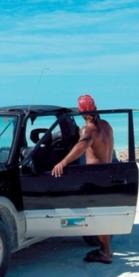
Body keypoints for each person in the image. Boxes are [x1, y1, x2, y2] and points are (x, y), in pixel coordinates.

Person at [51, 94, 116, 264]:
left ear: (81, 112)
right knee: (103, 214)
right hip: (107, 172)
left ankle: (105, 253)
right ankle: (104, 249)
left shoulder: (88, 130)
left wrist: (63, 161)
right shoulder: (106, 126)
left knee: (97, 215)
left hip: (95, 177)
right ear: (95, 108)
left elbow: (82, 145)